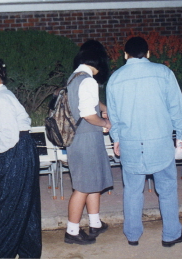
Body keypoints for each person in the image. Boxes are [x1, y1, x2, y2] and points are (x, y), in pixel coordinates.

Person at [106, 37, 182, 247]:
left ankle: (133, 235)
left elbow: (113, 117)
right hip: (160, 143)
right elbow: (177, 108)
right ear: (148, 53)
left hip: (130, 144)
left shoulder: (115, 78)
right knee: (167, 189)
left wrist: (116, 139)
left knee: (132, 191)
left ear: (125, 55)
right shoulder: (164, 73)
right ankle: (171, 234)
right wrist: (181, 136)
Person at [0, 56, 42, 258]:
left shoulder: (2, 99)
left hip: (15, 153)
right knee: (24, 207)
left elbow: (8, 136)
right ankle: (28, 252)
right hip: (21, 151)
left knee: (7, 210)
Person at [65, 48, 114, 245]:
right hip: (86, 137)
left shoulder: (74, 77)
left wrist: (103, 108)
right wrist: (105, 123)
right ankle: (72, 231)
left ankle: (95, 223)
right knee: (82, 187)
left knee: (93, 181)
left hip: (78, 137)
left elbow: (88, 103)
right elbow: (87, 114)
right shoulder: (88, 80)